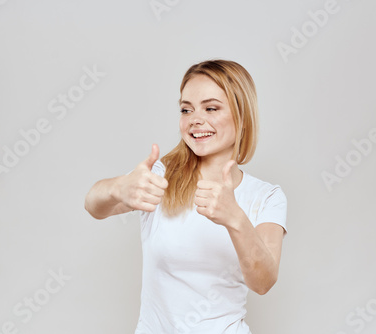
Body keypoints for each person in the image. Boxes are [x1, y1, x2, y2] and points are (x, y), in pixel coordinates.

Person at [84, 59, 288, 334]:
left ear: (242, 114)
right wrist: (118, 187)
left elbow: (263, 281)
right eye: (186, 109)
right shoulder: (161, 176)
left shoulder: (267, 197)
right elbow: (94, 205)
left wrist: (235, 219)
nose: (195, 119)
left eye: (211, 108)